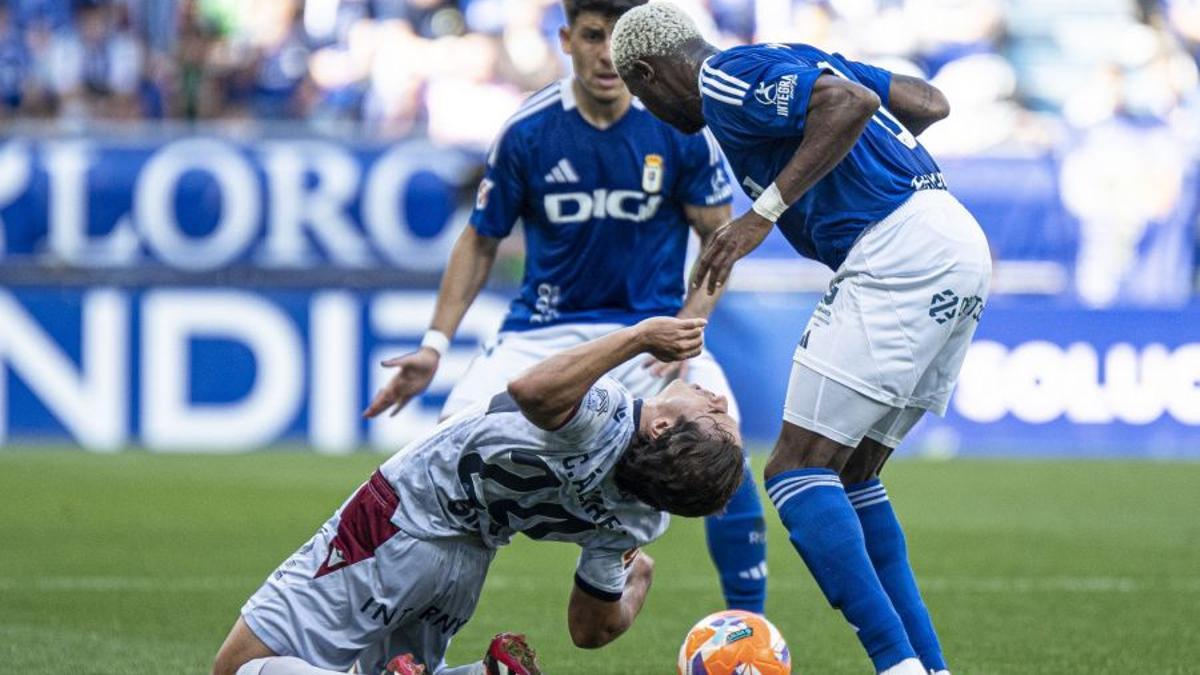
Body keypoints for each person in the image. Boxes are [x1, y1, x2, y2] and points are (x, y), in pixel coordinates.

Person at [611, 4, 992, 675]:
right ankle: (928, 667)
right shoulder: (793, 62)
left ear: (646, 73)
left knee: (794, 469)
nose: (652, 110)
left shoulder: (723, 80)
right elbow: (924, 101)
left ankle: (897, 665)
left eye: (641, 96)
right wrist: (865, 144)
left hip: (896, 246)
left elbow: (850, 101)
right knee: (852, 473)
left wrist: (763, 215)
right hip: (952, 237)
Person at [364, 0, 769, 614]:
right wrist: (434, 346)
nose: (607, 54)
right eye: (592, 36)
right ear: (566, 39)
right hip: (542, 333)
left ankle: (748, 631)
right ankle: (402, 621)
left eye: (618, 38)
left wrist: (691, 326)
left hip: (654, 335)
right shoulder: (529, 130)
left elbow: (719, 242)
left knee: (727, 454)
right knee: (442, 459)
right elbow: (480, 238)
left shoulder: (678, 128)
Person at [212, 317, 745, 675]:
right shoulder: (639, 518)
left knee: (239, 669)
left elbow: (529, 390)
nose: (718, 398)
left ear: (662, 429)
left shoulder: (605, 413)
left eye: (715, 416)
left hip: (396, 519)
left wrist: (639, 337)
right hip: (463, 566)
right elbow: (591, 628)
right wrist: (637, 586)